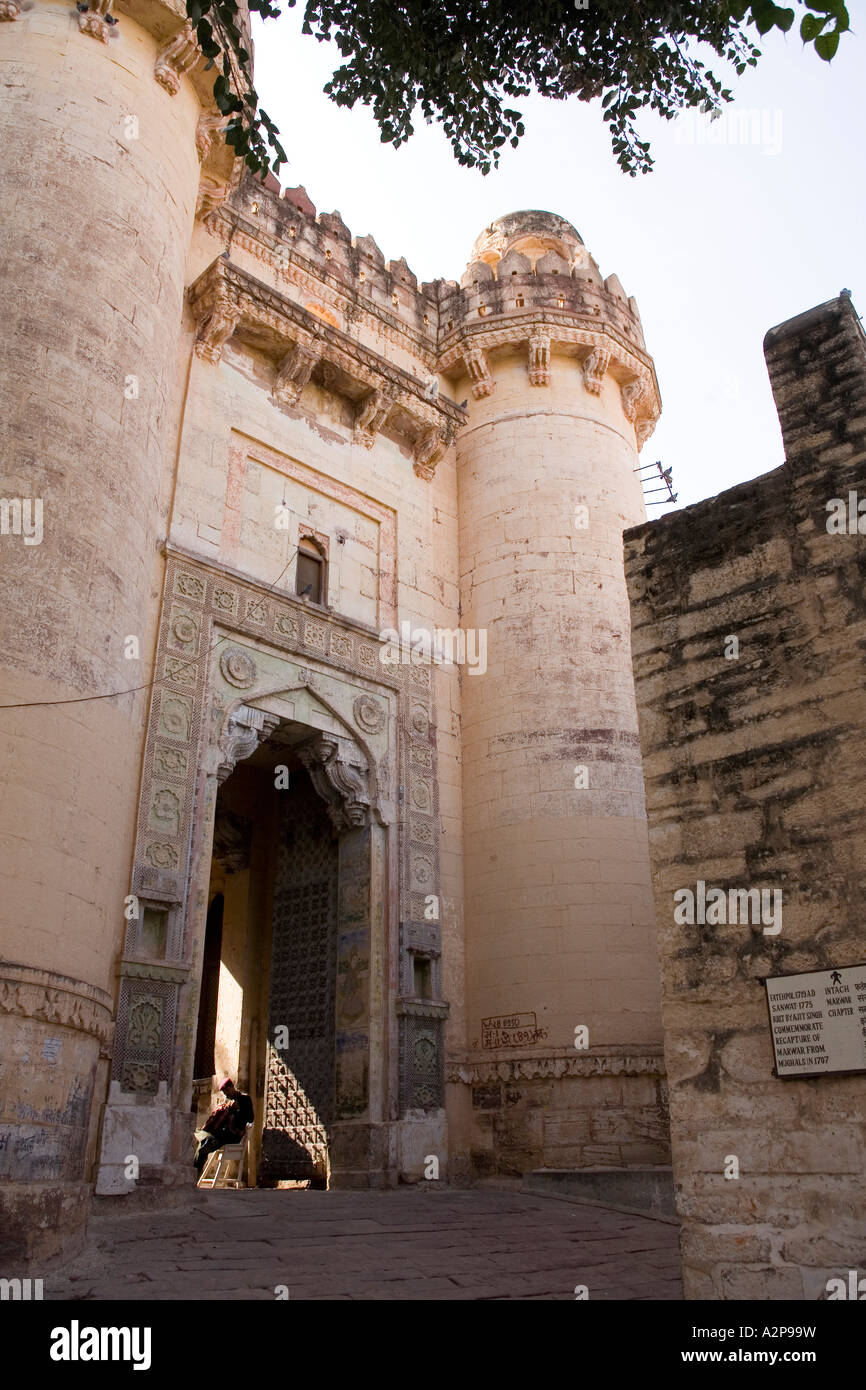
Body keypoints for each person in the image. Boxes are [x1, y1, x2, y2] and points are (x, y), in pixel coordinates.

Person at [194, 1078, 254, 1175]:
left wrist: (236, 1111)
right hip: (220, 1133)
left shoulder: (245, 1099)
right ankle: (196, 1171)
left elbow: (250, 1119)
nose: (225, 1094)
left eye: (226, 1091)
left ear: (231, 1087)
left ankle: (195, 1173)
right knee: (200, 1136)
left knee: (204, 1147)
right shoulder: (228, 1100)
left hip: (232, 1135)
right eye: (223, 1092)